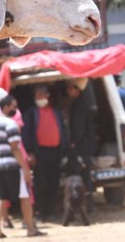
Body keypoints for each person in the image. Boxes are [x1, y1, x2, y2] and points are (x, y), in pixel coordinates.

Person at [0, 87, 41, 234]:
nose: (16, 110)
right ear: (5, 107)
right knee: (24, 195)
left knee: (0, 197)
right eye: (13, 107)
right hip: (12, 165)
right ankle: (30, 228)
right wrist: (26, 169)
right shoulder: (11, 124)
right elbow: (15, 148)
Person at [22, 85, 66, 223]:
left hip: (55, 152)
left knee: (54, 182)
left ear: (47, 95)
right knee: (41, 183)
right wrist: (30, 153)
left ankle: (51, 211)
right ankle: (41, 212)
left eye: (41, 95)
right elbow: (26, 134)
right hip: (39, 153)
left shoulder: (56, 111)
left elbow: (63, 130)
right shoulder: (31, 113)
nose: (39, 98)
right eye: (36, 96)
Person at [65, 78, 97, 209]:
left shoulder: (79, 106)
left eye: (70, 88)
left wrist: (73, 143)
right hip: (84, 145)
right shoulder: (82, 104)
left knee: (83, 175)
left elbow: (79, 127)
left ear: (77, 90)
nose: (68, 91)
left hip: (81, 147)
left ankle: (87, 205)